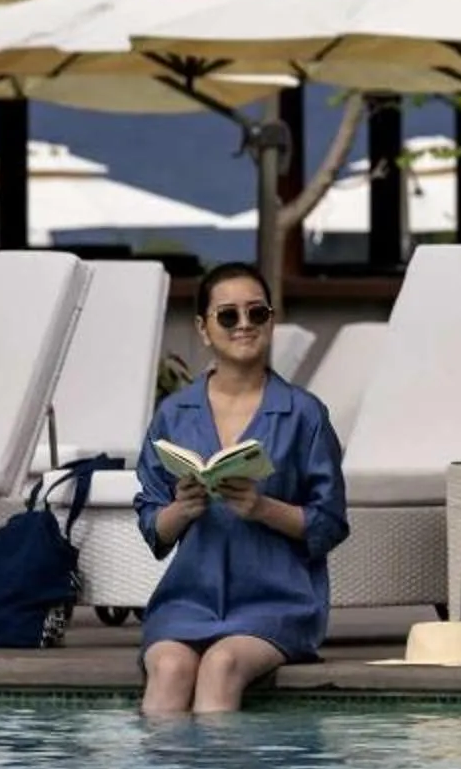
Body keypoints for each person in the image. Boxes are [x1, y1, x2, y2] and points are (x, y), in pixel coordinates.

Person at [134, 262, 349, 716]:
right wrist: (182, 508)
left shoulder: (304, 414)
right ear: (204, 328)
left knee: (222, 663)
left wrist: (261, 507)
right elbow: (154, 526)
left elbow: (329, 524)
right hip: (188, 601)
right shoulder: (173, 416)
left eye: (257, 313)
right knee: (170, 667)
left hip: (276, 602)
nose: (245, 325)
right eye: (229, 316)